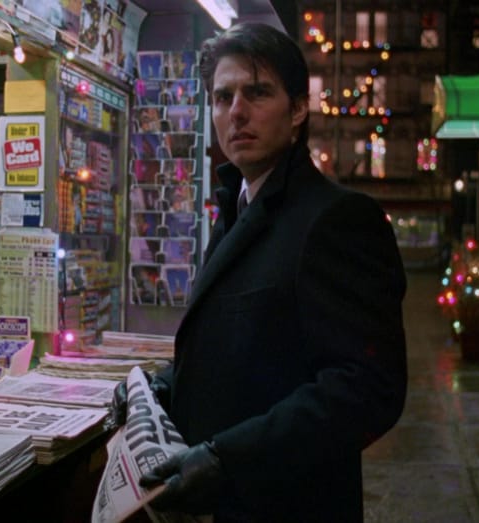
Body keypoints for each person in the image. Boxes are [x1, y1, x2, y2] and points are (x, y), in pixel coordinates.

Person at [112, 22, 407, 521]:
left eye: (258, 93)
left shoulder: (337, 219)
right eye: (222, 97)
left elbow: (366, 388)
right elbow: (243, 347)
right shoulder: (238, 207)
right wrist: (162, 388)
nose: (236, 112)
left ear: (298, 109)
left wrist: (229, 461)